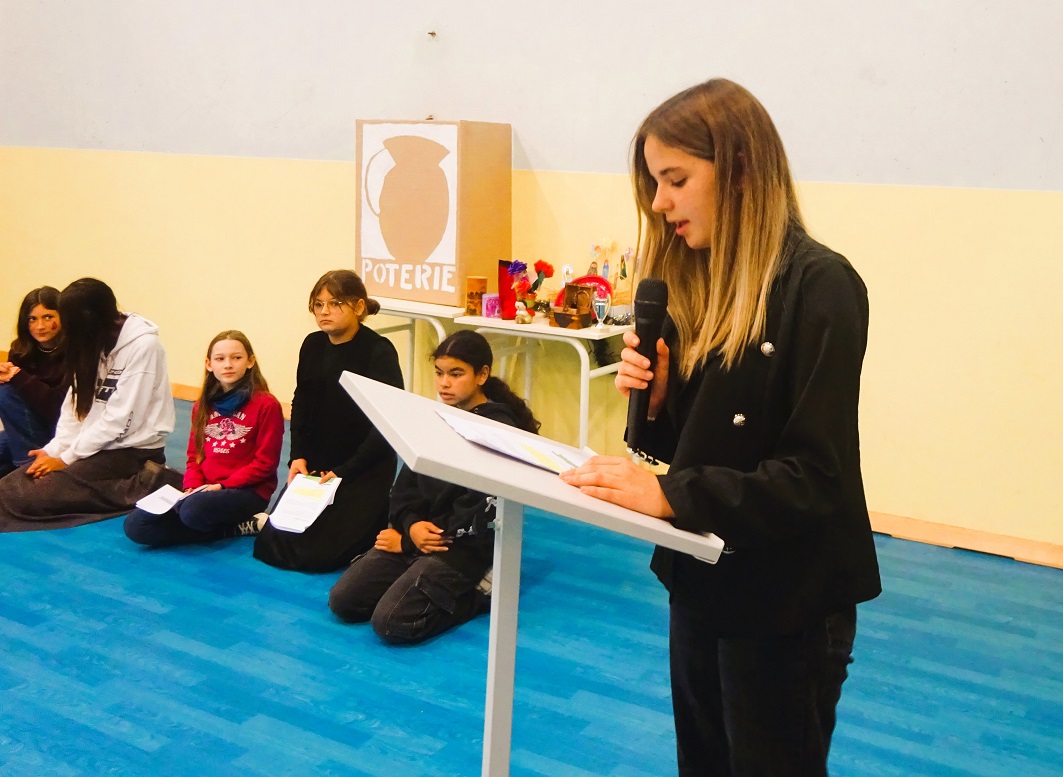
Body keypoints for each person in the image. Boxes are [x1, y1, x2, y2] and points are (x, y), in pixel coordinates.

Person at [559, 78, 882, 776]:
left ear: (738, 170)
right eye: (655, 183)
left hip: (788, 600)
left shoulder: (821, 287)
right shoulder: (701, 287)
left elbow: (812, 477)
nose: (659, 202)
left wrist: (668, 493)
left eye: (676, 179)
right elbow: (702, 450)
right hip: (703, 580)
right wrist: (663, 406)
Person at [328, 330, 540, 644]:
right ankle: (416, 574)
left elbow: (477, 510)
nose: (444, 383)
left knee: (391, 622)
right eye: (439, 373)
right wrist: (410, 525)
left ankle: (481, 591)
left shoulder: (497, 431)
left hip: (459, 547)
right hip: (417, 535)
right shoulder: (434, 416)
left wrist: (407, 543)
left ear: (482, 375)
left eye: (456, 374)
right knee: (344, 602)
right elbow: (406, 483)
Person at [253, 269, 404, 572]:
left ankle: (378, 512)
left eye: (335, 304)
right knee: (272, 545)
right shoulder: (312, 344)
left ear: (358, 307)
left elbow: (386, 424)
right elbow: (301, 402)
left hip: (363, 467)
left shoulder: (379, 351)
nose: (324, 312)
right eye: (318, 305)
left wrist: (345, 471)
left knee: (319, 555)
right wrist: (297, 457)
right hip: (320, 464)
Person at [0, 278, 178, 532]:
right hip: (92, 445)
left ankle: (149, 481)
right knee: (8, 490)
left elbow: (118, 420)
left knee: (28, 498)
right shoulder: (91, 342)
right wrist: (54, 449)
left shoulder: (144, 346)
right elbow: (75, 407)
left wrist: (67, 458)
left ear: (89, 320)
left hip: (131, 452)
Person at [123, 330, 283, 547]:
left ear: (250, 361)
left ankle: (236, 524)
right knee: (136, 526)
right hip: (204, 491)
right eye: (220, 359)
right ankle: (233, 527)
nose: (228, 365)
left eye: (236, 357)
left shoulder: (267, 405)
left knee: (192, 510)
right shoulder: (202, 406)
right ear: (209, 364)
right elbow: (194, 457)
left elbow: (265, 464)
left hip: (247, 491)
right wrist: (191, 486)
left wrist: (222, 486)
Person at [0, 286, 68, 477]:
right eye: (32, 319)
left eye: (48, 317)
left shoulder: (76, 352)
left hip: (63, 431)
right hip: (28, 427)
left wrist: (18, 376)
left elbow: (59, 408)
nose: (40, 326)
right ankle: (23, 467)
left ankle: (29, 467)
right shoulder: (20, 349)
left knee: (4, 392)